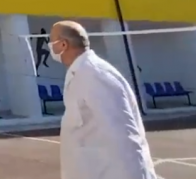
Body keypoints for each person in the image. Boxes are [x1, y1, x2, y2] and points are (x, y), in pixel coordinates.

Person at [49, 21, 156, 179]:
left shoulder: (94, 74)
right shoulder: (80, 72)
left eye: (51, 41)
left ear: (63, 44)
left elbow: (124, 135)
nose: (49, 46)